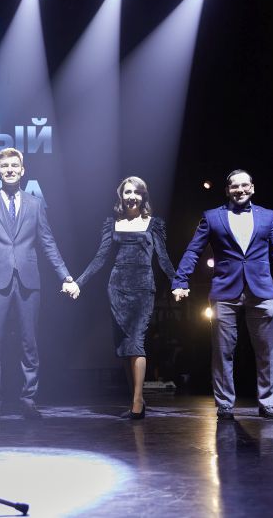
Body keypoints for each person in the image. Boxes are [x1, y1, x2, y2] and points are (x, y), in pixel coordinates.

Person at [172, 170, 273, 420]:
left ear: (252, 188)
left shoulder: (268, 216)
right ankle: (225, 404)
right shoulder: (212, 217)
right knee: (223, 351)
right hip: (225, 291)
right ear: (227, 190)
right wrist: (180, 281)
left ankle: (268, 403)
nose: (240, 190)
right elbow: (194, 250)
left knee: (266, 350)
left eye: (244, 185)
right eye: (234, 186)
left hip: (261, 290)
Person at [0, 147, 78, 420]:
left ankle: (28, 399)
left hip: (29, 281)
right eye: (5, 166)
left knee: (29, 342)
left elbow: (48, 242)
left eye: (14, 166)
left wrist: (65, 276)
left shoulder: (35, 204)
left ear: (22, 170)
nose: (9, 170)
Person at [73, 177, 176, 420]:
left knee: (136, 341)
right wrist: (79, 282)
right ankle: (135, 399)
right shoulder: (112, 224)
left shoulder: (154, 224)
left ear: (143, 196)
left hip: (143, 288)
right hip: (117, 287)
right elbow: (100, 258)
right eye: (127, 192)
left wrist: (178, 282)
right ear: (121, 196)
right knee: (124, 346)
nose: (131, 196)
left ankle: (138, 401)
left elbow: (163, 257)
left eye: (136, 192)